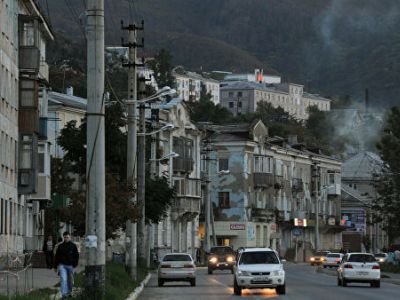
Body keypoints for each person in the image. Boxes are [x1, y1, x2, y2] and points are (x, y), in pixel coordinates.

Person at [54, 232, 79, 299]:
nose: (66, 238)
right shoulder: (60, 246)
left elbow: (76, 256)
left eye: (67, 237)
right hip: (62, 265)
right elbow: (57, 257)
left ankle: (69, 292)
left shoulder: (73, 246)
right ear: (63, 238)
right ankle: (64, 295)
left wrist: (75, 264)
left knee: (70, 281)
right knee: (63, 279)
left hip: (70, 266)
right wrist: (55, 266)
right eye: (65, 237)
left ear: (70, 237)